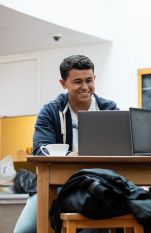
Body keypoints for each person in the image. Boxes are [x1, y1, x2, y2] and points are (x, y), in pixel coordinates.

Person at [14, 55, 118, 233]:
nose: (85, 87)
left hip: (96, 184)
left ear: (95, 79)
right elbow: (40, 149)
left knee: (95, 228)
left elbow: (121, 146)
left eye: (89, 80)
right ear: (63, 83)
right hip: (54, 184)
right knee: (25, 230)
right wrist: (68, 156)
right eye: (77, 81)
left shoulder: (109, 109)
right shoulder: (51, 111)